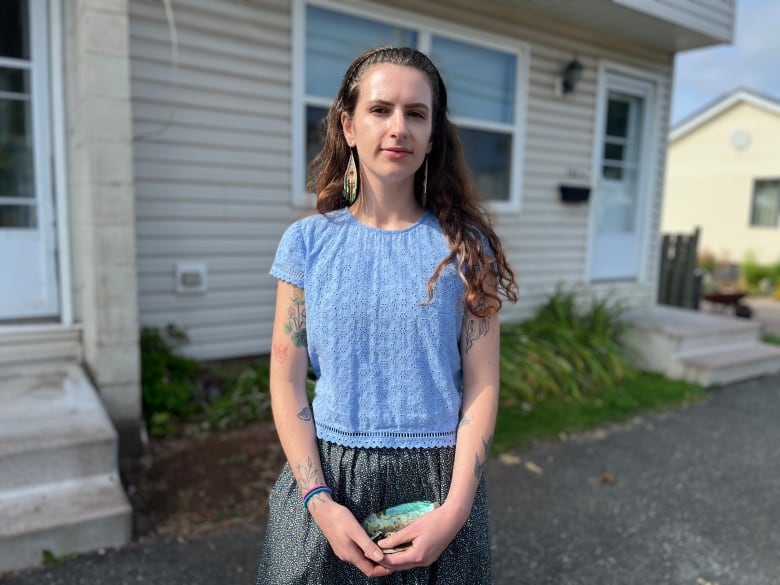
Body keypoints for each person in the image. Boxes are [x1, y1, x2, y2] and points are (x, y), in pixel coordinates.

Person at [257, 46, 517, 584]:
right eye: (381, 110)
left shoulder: (466, 249)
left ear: (432, 136)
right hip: (327, 488)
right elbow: (286, 380)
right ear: (348, 126)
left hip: (437, 490)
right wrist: (319, 501)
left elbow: (483, 384)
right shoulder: (307, 244)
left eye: (416, 114)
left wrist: (456, 510)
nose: (398, 127)